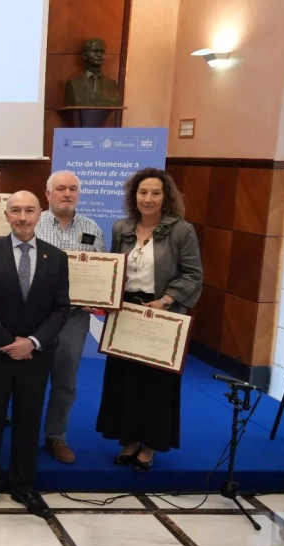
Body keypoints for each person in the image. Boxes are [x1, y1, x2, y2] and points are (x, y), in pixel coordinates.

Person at [0, 191, 70, 520]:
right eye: (16, 210)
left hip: (36, 357)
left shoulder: (56, 257)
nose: (23, 217)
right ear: (6, 215)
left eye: (29, 210)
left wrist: (32, 342)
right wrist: (8, 342)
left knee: (28, 421)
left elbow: (61, 309)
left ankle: (23, 484)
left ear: (40, 214)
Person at [96, 168, 202, 471]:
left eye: (156, 193)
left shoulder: (182, 230)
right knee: (125, 381)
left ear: (166, 197)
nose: (148, 198)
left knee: (156, 384)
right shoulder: (121, 227)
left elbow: (193, 275)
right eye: (143, 192)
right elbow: (114, 268)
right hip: (126, 313)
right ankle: (129, 440)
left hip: (162, 312)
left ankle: (150, 445)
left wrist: (166, 301)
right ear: (134, 196)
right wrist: (106, 296)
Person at [34, 171, 106, 464]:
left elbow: (103, 272)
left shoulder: (93, 229)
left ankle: (55, 436)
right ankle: (25, 434)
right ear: (48, 194)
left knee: (65, 380)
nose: (67, 194)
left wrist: (98, 297)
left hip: (73, 317)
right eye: (60, 188)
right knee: (29, 379)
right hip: (35, 316)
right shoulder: (33, 223)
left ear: (79, 193)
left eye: (72, 189)